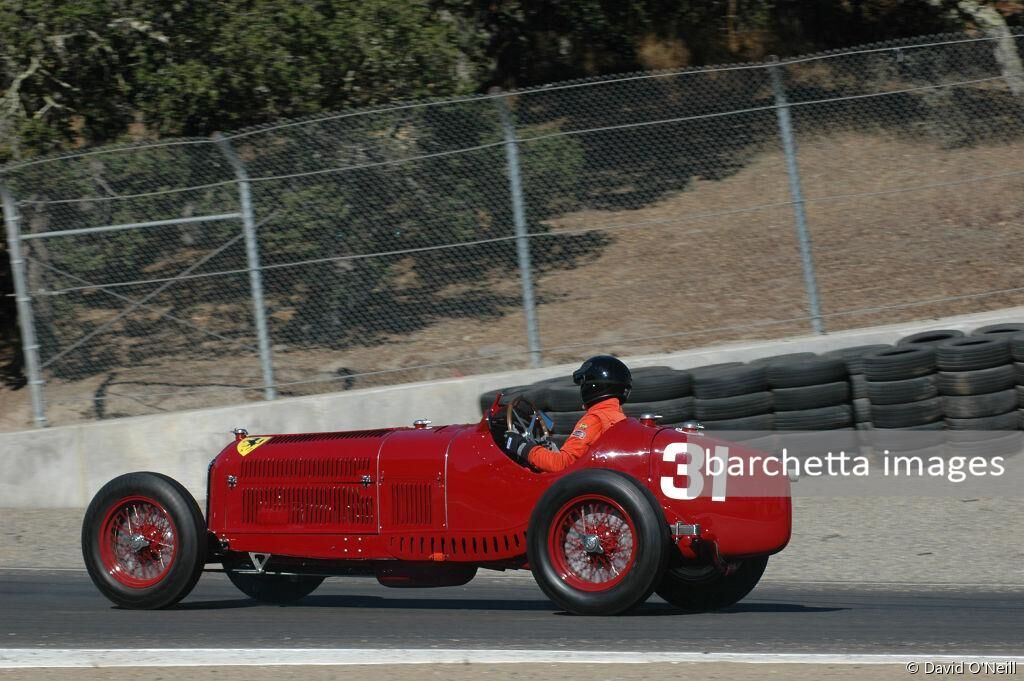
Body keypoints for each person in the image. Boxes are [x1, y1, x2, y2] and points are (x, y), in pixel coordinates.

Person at [504, 355, 631, 472]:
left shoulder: (595, 419)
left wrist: (521, 446)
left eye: (583, 384)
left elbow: (561, 464)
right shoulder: (618, 417)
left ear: (593, 386)